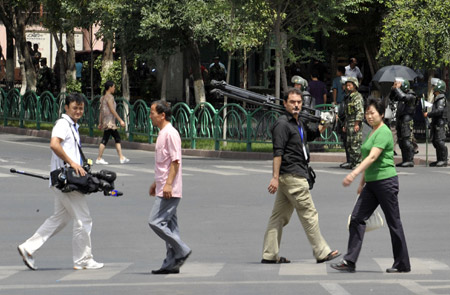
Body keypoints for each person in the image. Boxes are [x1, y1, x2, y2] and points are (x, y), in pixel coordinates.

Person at [17, 93, 104, 270]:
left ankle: (28, 248)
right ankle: (83, 260)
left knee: (59, 219)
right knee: (84, 219)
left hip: (62, 180)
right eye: (75, 107)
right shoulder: (63, 124)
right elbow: (54, 144)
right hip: (66, 181)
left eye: (81, 108)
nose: (78, 111)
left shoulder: (72, 126)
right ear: (66, 108)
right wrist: (72, 163)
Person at [331, 97, 410, 273]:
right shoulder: (372, 132)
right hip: (372, 184)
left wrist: (353, 174)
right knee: (357, 218)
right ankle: (350, 261)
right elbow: (369, 160)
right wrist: (362, 183)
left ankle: (402, 263)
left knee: (394, 222)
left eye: (372, 113)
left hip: (386, 182)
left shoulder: (383, 132)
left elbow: (373, 157)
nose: (369, 116)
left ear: (382, 114)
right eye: (367, 113)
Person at [262, 87, 340, 264]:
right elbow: (277, 153)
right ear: (285, 104)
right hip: (292, 176)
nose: (296, 105)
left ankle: (269, 254)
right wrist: (274, 177)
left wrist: (325, 123)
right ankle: (321, 252)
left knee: (278, 217)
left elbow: (310, 135)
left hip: (293, 176)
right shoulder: (282, 124)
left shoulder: (298, 122)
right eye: (292, 102)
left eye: (299, 102)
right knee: (309, 213)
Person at [148, 100, 192, 274]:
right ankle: (171, 263)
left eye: (152, 112)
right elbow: (163, 165)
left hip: (170, 189)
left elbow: (175, 161)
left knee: (155, 221)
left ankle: (182, 249)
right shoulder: (162, 133)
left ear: (162, 115)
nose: (150, 115)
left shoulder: (170, 134)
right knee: (171, 227)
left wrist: (167, 185)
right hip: (163, 186)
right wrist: (156, 183)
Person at [96, 81, 129, 165]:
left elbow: (101, 112)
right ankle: (99, 158)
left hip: (106, 121)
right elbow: (112, 110)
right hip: (110, 122)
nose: (114, 88)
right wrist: (120, 120)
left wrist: (100, 122)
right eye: (114, 87)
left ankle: (121, 157)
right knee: (105, 139)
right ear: (110, 87)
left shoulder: (102, 98)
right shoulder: (110, 97)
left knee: (116, 138)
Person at [389, 77, 417, 167]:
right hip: (400, 119)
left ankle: (410, 160)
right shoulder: (401, 93)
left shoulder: (411, 95)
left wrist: (397, 88)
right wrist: (393, 89)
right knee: (401, 141)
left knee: (406, 140)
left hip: (407, 120)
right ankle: (405, 159)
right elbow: (392, 97)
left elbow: (403, 97)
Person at [424, 78, 448, 167]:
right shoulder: (437, 98)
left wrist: (429, 114)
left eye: (434, 86)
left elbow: (439, 110)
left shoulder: (441, 98)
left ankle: (444, 160)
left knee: (440, 141)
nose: (433, 88)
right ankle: (439, 159)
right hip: (436, 122)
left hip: (440, 123)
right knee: (435, 141)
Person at [342, 77, 364, 169]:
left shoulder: (357, 97)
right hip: (349, 123)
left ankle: (359, 162)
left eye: (350, 85)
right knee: (349, 144)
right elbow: (347, 113)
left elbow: (360, 112)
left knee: (356, 144)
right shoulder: (349, 97)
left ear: (355, 86)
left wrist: (356, 124)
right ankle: (352, 162)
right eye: (347, 85)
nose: (348, 87)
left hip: (355, 123)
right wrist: (345, 125)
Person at [337, 76, 351, 168]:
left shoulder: (352, 96)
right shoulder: (345, 96)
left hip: (349, 122)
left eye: (345, 85)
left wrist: (345, 123)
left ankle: (351, 161)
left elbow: (349, 112)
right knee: (346, 143)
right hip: (343, 121)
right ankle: (349, 160)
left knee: (350, 143)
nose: (343, 87)